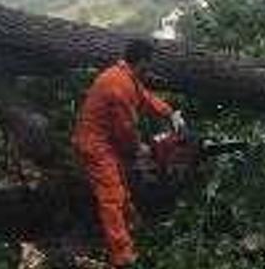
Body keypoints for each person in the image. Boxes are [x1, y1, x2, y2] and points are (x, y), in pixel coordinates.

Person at [72, 39, 186, 268]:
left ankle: (132, 224)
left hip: (104, 142)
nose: (150, 67)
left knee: (121, 185)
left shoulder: (123, 75)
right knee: (111, 197)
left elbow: (146, 98)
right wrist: (138, 149)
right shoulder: (119, 86)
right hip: (95, 146)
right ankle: (122, 257)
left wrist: (170, 113)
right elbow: (125, 129)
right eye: (149, 62)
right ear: (142, 61)